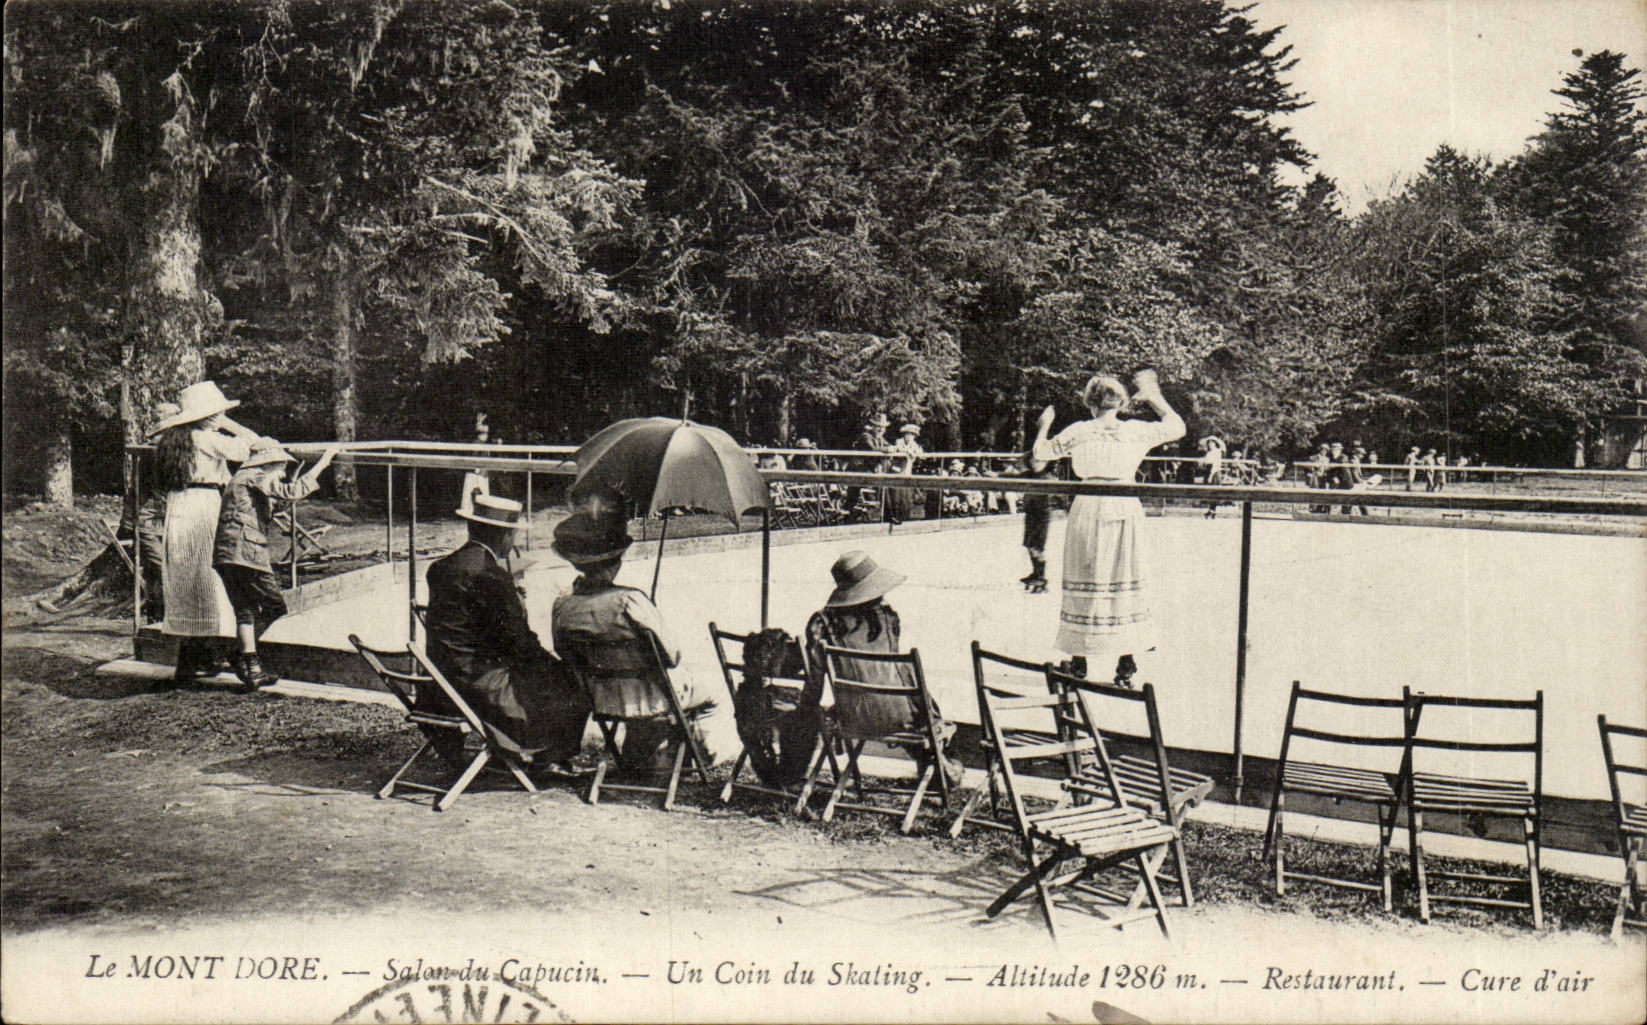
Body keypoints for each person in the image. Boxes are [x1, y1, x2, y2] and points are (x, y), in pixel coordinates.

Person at [1031, 370, 1185, 686]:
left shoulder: (1080, 431)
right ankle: (1125, 665)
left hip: (1089, 506)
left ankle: (1079, 662)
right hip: (1124, 505)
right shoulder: (1134, 431)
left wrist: (1044, 425)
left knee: (1087, 575)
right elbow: (1178, 427)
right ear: (1121, 403)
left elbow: (1040, 454)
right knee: (1122, 577)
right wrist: (1155, 397)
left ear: (1090, 403)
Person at [424, 495, 589, 770]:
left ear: (472, 528)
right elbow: (517, 640)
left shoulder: (441, 568)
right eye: (512, 535)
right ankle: (549, 758)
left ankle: (522, 753)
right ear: (505, 535)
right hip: (477, 683)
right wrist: (554, 663)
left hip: (440, 681)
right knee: (571, 683)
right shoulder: (491, 575)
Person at [550, 504, 713, 769]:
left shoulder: (564, 605)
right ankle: (700, 760)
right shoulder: (630, 601)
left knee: (652, 693)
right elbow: (670, 656)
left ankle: (644, 756)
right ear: (616, 562)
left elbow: (565, 653)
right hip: (648, 698)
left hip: (601, 698)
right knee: (709, 696)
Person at [802, 551, 963, 789]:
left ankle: (937, 770)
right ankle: (940, 768)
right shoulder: (887, 619)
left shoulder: (822, 624)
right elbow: (893, 673)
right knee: (922, 713)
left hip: (852, 716)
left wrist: (806, 712)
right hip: (897, 715)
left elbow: (814, 685)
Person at [149, 382, 259, 688]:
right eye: (216, 411)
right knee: (213, 577)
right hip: (206, 506)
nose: (220, 415)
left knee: (188, 578)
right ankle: (237, 657)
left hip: (179, 506)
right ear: (206, 416)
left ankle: (192, 659)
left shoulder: (173, 438)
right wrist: (230, 424)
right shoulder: (210, 438)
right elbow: (251, 443)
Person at [212, 438, 338, 692]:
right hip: (245, 553)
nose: (283, 473)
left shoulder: (243, 478)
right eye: (281, 467)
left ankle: (251, 666)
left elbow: (276, 502)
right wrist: (324, 463)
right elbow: (291, 492)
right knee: (275, 604)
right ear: (271, 462)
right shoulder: (257, 474)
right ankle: (239, 654)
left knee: (245, 610)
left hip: (227, 553)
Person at [1016, 454, 1056, 592]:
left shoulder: (1047, 477)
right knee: (1029, 544)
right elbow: (1013, 477)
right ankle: (1036, 572)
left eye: (1040, 460)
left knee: (1037, 547)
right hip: (1030, 513)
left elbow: (1057, 491)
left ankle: (1041, 577)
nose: (1036, 463)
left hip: (1042, 516)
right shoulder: (1028, 474)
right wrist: (995, 475)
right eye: (1034, 460)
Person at [887, 422, 924, 524]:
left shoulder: (915, 445)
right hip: (897, 470)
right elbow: (900, 449)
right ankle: (894, 516)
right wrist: (908, 452)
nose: (909, 437)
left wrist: (916, 453)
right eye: (907, 434)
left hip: (907, 471)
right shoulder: (899, 441)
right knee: (896, 495)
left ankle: (904, 517)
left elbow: (920, 454)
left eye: (911, 435)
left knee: (906, 495)